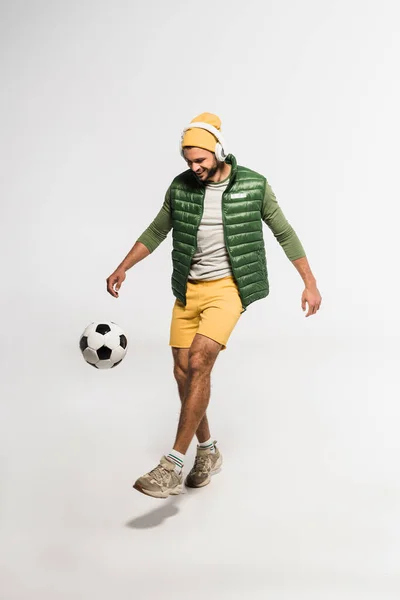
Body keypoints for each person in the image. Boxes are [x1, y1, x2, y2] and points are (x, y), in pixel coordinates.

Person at [106, 112, 322, 499]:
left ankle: (171, 464)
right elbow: (157, 229)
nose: (195, 167)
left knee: (200, 360)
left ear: (219, 152)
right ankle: (207, 451)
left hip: (229, 288)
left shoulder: (254, 185)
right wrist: (124, 267)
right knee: (182, 373)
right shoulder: (181, 187)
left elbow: (284, 232)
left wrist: (310, 283)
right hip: (188, 290)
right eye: (189, 161)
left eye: (200, 160)